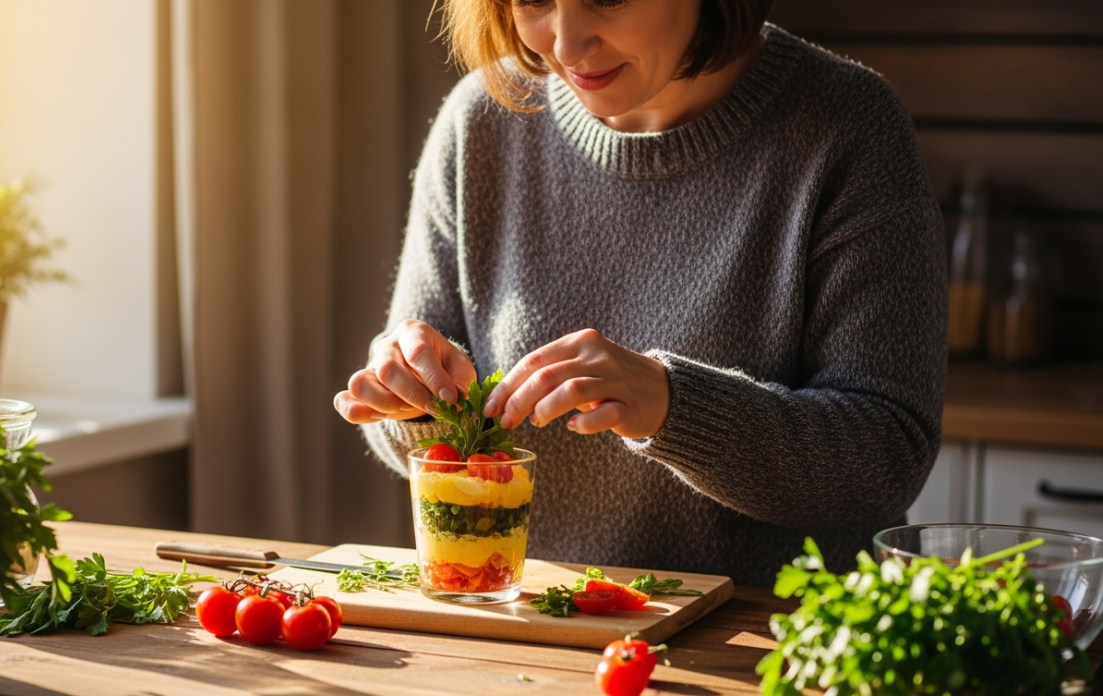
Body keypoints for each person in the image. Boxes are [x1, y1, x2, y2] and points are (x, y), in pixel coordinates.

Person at [334, 0, 946, 587]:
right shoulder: (481, 123)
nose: (565, 44)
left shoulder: (849, 126)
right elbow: (409, 435)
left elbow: (889, 457)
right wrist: (411, 398)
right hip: (532, 641)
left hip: (765, 652)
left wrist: (673, 405)